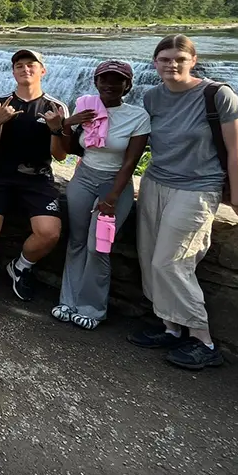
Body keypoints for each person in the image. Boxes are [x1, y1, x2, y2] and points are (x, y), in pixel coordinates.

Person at [128, 35, 238, 370]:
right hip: (155, 182)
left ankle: (203, 340)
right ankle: (170, 327)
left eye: (179, 59)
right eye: (165, 59)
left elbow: (236, 151)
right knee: (149, 257)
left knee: (171, 262)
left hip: (197, 188)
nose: (172, 65)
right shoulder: (152, 97)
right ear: (155, 63)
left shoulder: (218, 95)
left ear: (193, 61)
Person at [0, 49, 68, 320]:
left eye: (31, 65)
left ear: (42, 70)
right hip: (0, 173)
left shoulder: (55, 108)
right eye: (19, 66)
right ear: (13, 72)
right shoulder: (0, 103)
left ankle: (20, 266)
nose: (25, 70)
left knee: (49, 232)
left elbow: (60, 155)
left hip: (38, 177)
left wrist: (57, 128)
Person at [49, 60, 150, 331]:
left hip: (114, 184)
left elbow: (130, 163)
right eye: (104, 79)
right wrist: (68, 122)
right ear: (96, 82)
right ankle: (68, 301)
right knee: (77, 241)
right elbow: (68, 148)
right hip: (83, 178)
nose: (109, 85)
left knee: (98, 247)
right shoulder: (86, 105)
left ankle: (92, 307)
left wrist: (113, 197)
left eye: (117, 80)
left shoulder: (138, 116)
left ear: (128, 85)